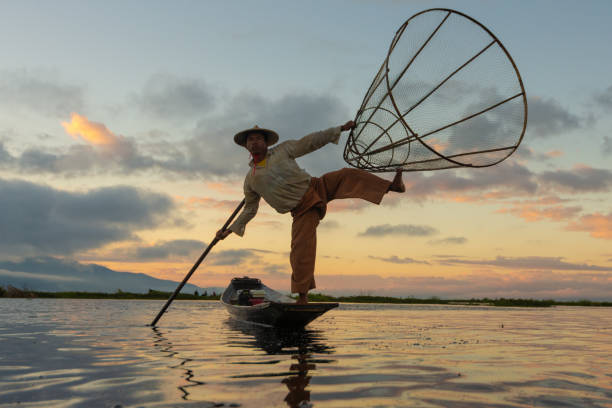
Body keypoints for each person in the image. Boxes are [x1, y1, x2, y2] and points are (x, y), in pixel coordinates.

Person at [216, 121, 405, 304]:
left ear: (265, 143)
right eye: (251, 140)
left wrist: (339, 129)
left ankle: (392, 186)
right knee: (300, 250)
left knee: (347, 175)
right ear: (246, 147)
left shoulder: (283, 150)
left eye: (258, 138)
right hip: (301, 210)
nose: (254, 142)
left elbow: (310, 142)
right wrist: (229, 231)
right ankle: (303, 297)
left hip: (317, 185)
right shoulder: (251, 180)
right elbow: (249, 209)